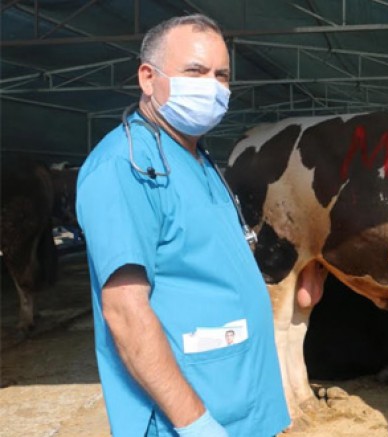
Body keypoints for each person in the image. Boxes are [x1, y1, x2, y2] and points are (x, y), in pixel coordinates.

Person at [76, 14, 290, 436]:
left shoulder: (196, 157)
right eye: (195, 71)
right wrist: (196, 424)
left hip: (239, 402)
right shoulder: (125, 165)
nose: (211, 86)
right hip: (190, 417)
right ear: (147, 77)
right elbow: (124, 310)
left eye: (221, 75)